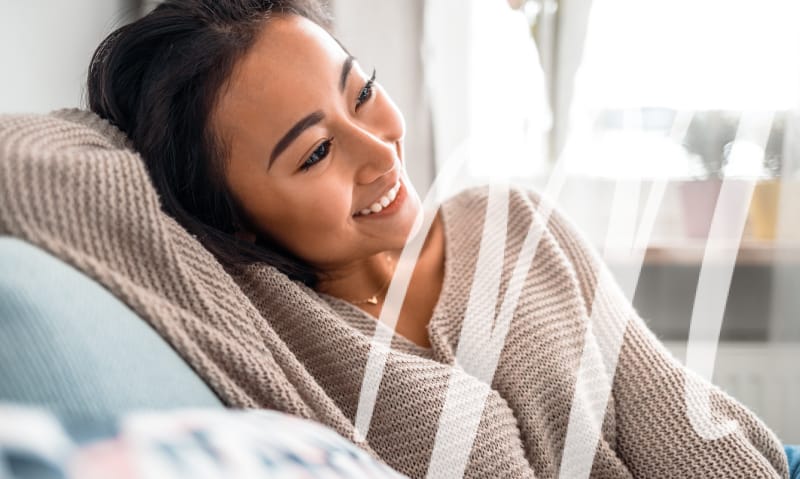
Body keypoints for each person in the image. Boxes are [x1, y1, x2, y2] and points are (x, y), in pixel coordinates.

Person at [86, 1, 790, 477]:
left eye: (361, 91)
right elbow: (29, 166)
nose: (380, 151)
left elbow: (671, 413)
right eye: (315, 154)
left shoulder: (509, 220)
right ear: (233, 216)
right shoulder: (256, 323)